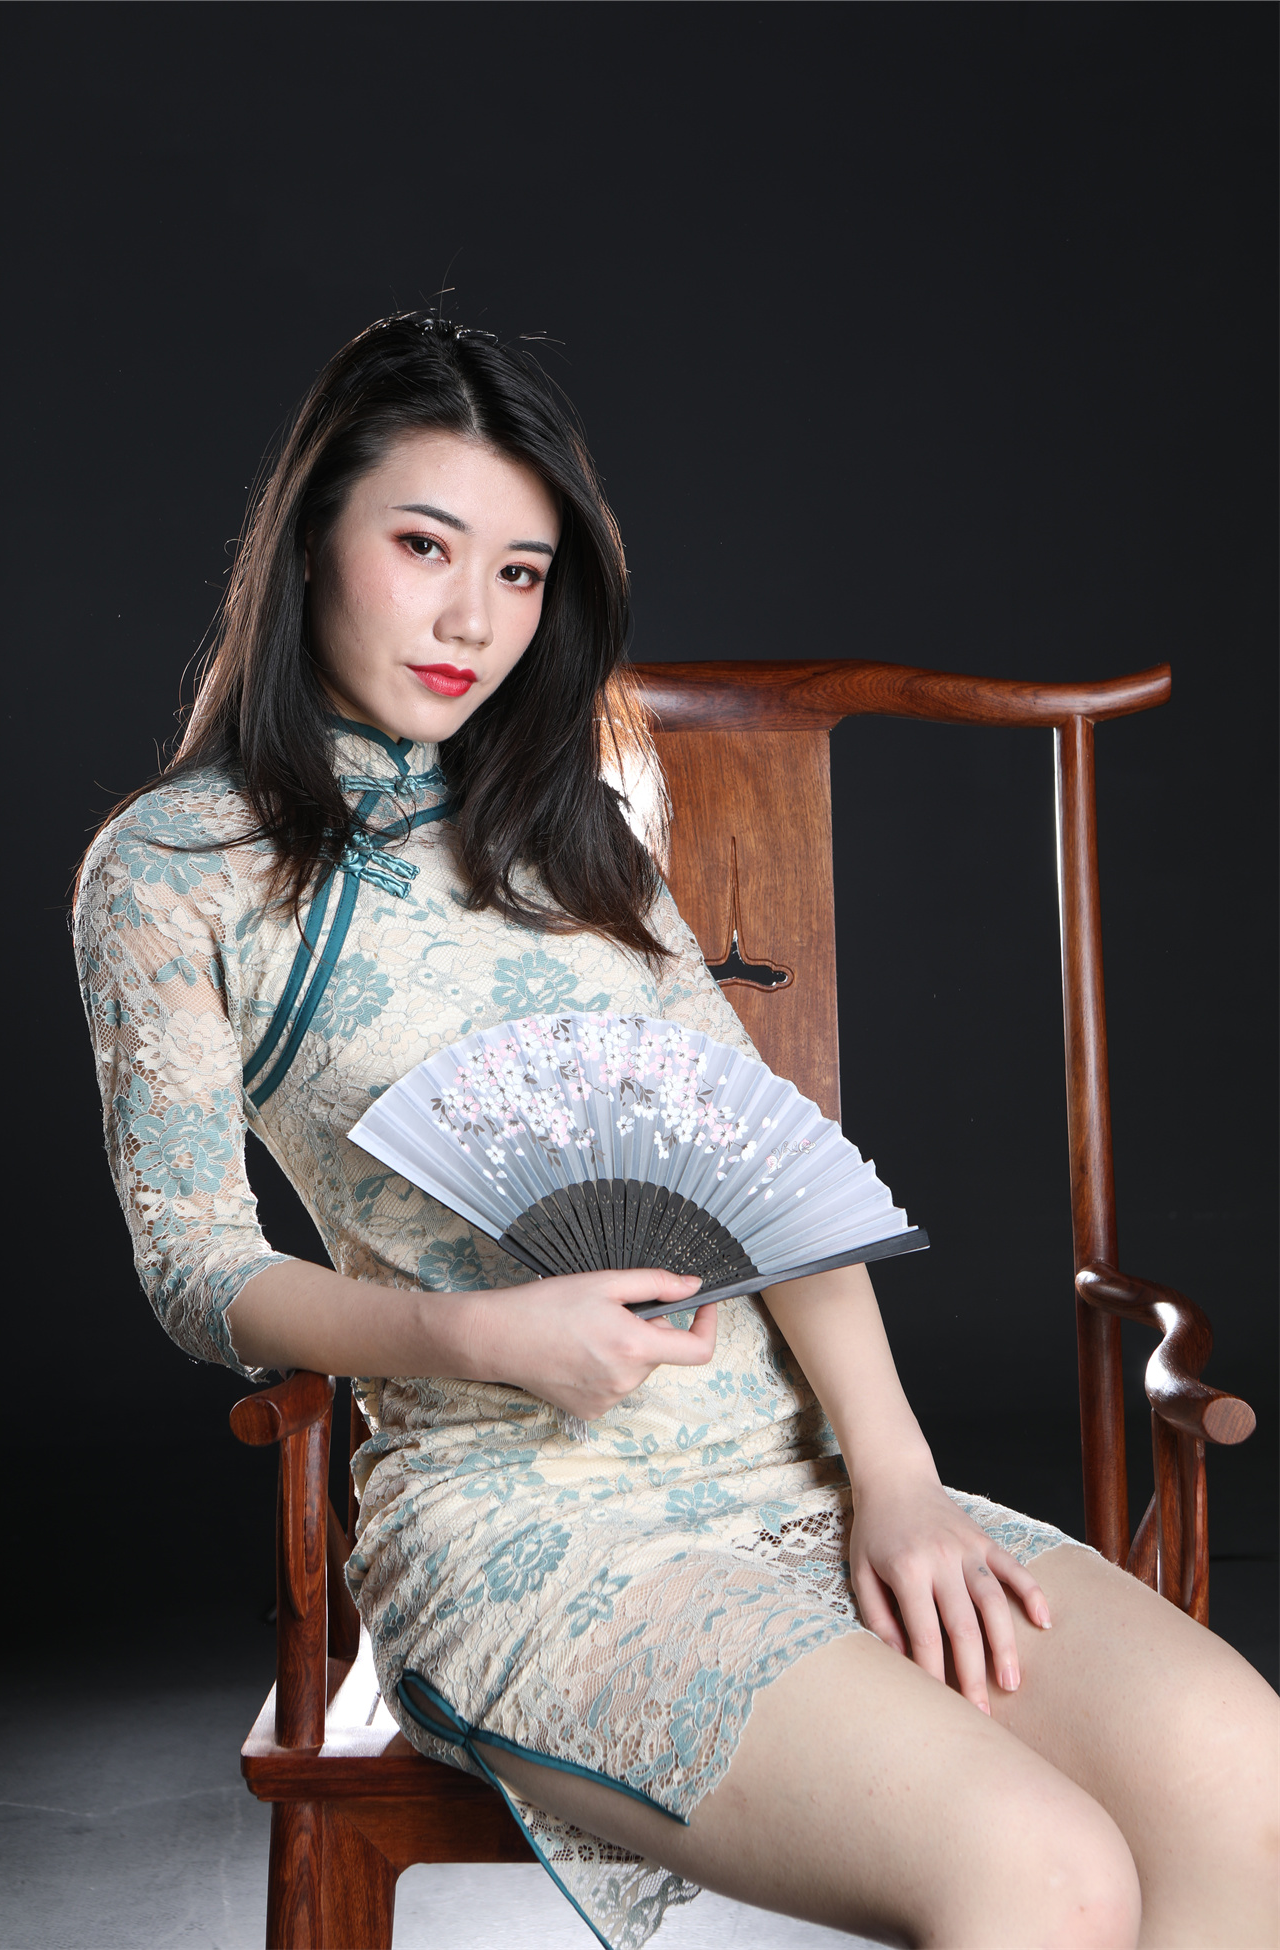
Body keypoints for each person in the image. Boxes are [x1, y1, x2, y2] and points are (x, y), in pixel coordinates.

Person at [74, 313, 1277, 1950]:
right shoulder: (174, 869)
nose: (473, 618)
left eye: (521, 571)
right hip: (523, 1523)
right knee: (1045, 1874)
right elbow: (195, 1265)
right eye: (424, 546)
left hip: (795, 1469)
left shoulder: (564, 827)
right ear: (306, 543)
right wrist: (473, 1333)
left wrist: (898, 1475)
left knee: (1246, 1775)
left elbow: (760, 1166)